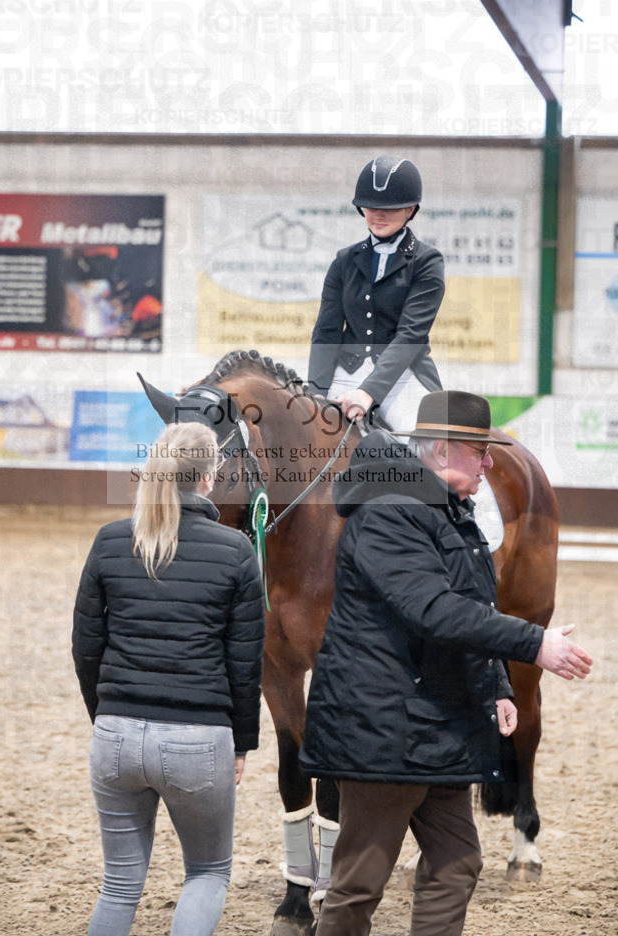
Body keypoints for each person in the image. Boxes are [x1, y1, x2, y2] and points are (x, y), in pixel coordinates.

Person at [299, 390, 592, 936]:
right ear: (440, 451)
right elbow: (433, 610)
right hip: (382, 727)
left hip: (436, 724)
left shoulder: (448, 512)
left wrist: (497, 687)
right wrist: (534, 644)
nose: (488, 462)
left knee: (457, 864)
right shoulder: (390, 513)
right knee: (360, 884)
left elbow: (469, 605)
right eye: (478, 451)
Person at [72, 422, 265, 936]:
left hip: (114, 734)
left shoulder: (111, 540)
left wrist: (107, 715)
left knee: (118, 885)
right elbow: (245, 664)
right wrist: (242, 743)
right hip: (197, 739)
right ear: (210, 477)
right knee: (207, 873)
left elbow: (86, 647)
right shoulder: (236, 550)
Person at [308, 155, 445, 429]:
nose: (378, 215)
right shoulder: (344, 261)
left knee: (429, 446)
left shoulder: (427, 262)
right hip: (344, 375)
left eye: (390, 209)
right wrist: (315, 393)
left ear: (411, 209)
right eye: (371, 207)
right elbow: (326, 332)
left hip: (401, 378)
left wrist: (368, 392)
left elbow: (410, 335)